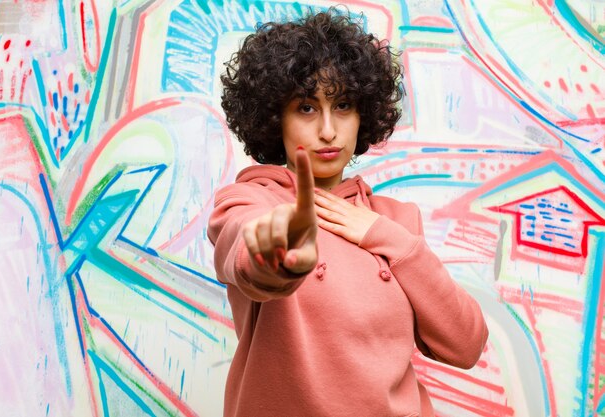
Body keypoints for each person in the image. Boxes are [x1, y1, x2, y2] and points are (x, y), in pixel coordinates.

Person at [207, 8, 488, 417]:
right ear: (274, 119)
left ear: (363, 116)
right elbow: (243, 245)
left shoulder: (397, 220)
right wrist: (279, 254)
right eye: (305, 107)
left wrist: (387, 237)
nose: (327, 129)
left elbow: (466, 344)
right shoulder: (251, 202)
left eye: (342, 105)